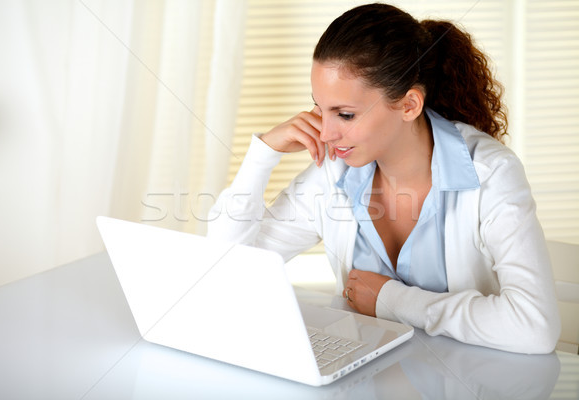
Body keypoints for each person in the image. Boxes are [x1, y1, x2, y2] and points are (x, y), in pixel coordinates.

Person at [207, 3, 560, 353]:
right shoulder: (334, 171)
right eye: (319, 108)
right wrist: (261, 155)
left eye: (345, 114)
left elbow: (534, 327)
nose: (326, 133)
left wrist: (392, 300)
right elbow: (225, 275)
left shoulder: (491, 173)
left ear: (409, 105)